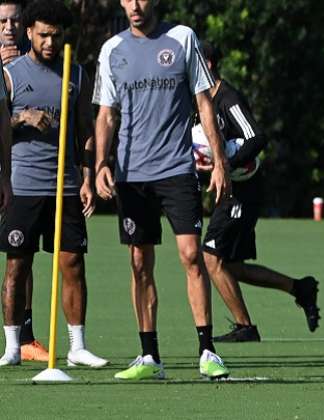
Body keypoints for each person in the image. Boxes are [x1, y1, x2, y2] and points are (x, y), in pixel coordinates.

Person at [93, 0, 230, 380]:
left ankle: (207, 350)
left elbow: (203, 102)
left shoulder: (182, 38)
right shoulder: (112, 50)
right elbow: (106, 113)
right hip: (131, 174)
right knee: (139, 263)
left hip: (176, 168)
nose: (134, 6)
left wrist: (220, 162)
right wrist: (101, 163)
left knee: (191, 256)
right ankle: (149, 356)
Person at [0, 0, 108, 368]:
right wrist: (22, 118)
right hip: (23, 185)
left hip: (65, 186)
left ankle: (77, 346)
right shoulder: (9, 73)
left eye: (56, 36)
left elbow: (86, 133)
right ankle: (13, 346)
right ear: (29, 32)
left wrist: (88, 176)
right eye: (43, 34)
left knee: (73, 263)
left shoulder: (75, 74)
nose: (49, 42)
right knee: (18, 265)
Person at [196, 43, 320, 342]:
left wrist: (225, 165)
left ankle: (246, 327)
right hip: (230, 191)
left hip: (244, 192)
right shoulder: (197, 100)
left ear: (208, 65)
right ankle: (299, 288)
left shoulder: (227, 98)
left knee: (211, 258)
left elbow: (256, 137)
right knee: (232, 267)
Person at [0, 0, 46, 363]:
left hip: (18, 175)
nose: (9, 28)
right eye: (3, 21)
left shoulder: (31, 66)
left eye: (15, 20)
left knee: (21, 256)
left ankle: (25, 336)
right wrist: (20, 119)